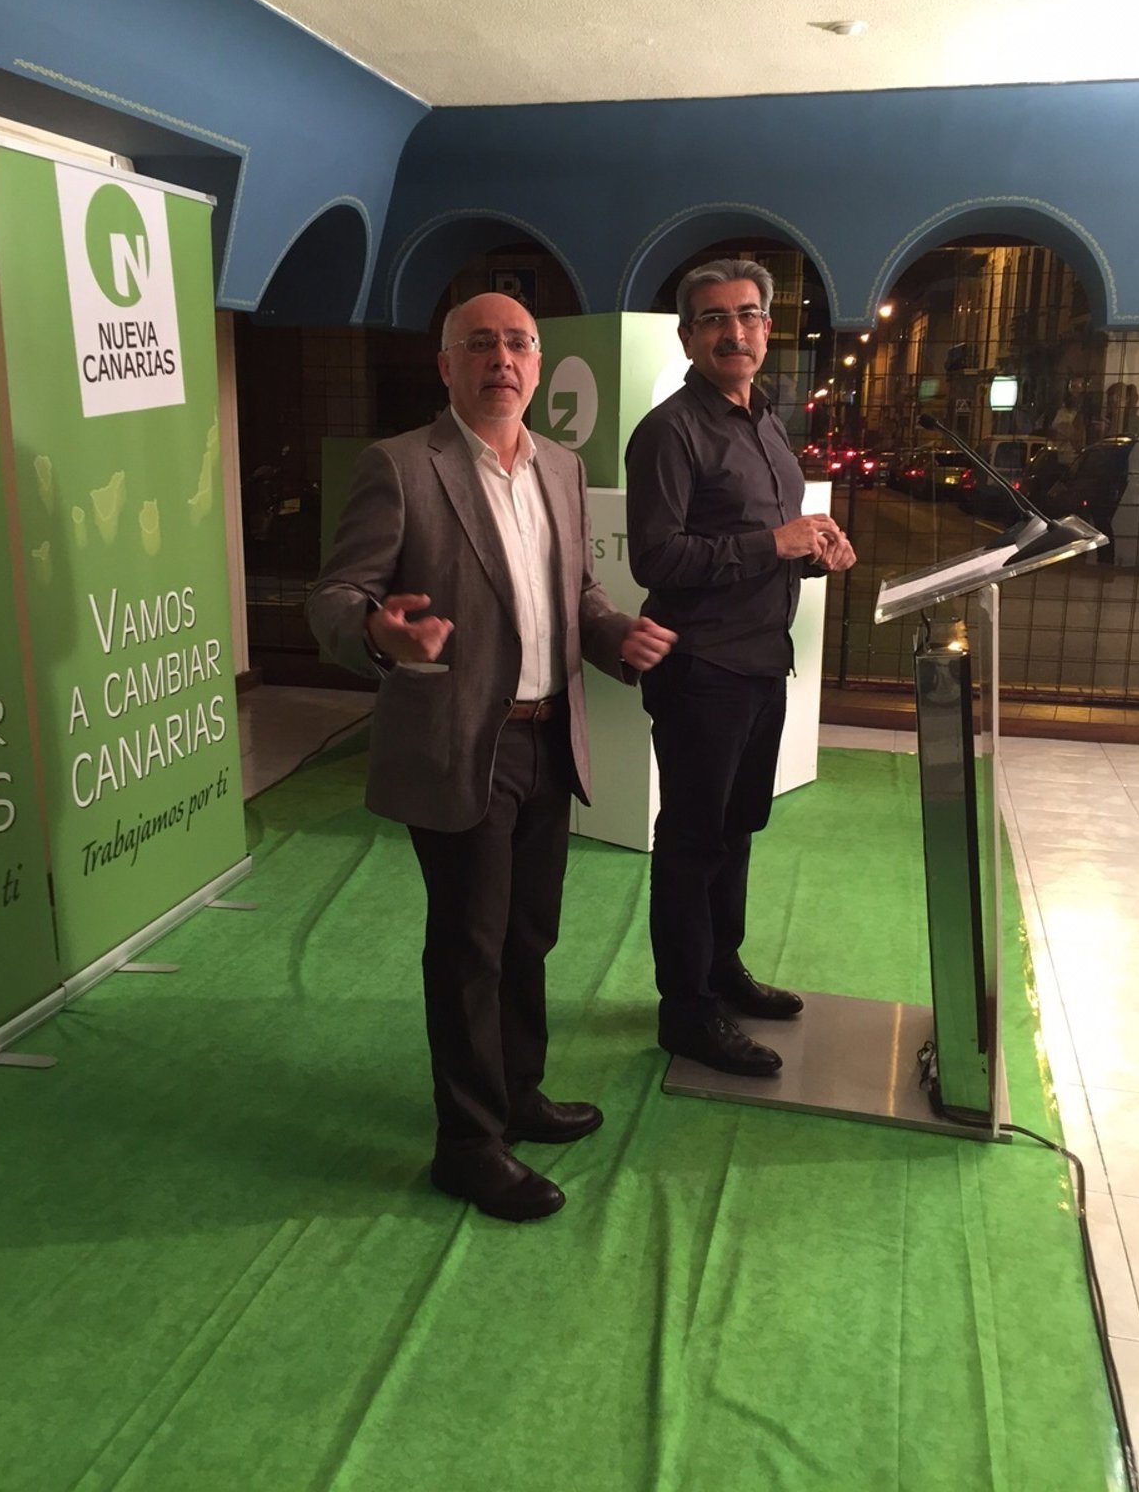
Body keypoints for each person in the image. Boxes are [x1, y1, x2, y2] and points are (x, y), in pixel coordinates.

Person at [307, 293, 675, 1222]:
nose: (500, 359)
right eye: (479, 344)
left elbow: (576, 591)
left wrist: (614, 634)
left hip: (551, 735)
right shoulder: (400, 465)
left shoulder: (562, 465)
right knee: (470, 945)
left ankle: (518, 1093)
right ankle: (468, 1145)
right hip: (460, 744)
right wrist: (377, 631)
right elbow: (337, 593)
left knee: (528, 934)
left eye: (517, 343)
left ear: (538, 365)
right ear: (447, 366)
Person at [625, 259, 856, 1077]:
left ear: (767, 328)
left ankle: (721, 970)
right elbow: (657, 558)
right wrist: (774, 543)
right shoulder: (670, 432)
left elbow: (771, 542)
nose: (735, 331)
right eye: (715, 318)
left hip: (761, 663)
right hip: (702, 670)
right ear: (688, 335)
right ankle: (685, 1013)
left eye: (749, 315)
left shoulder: (765, 422)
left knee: (736, 831)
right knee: (692, 842)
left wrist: (815, 553)